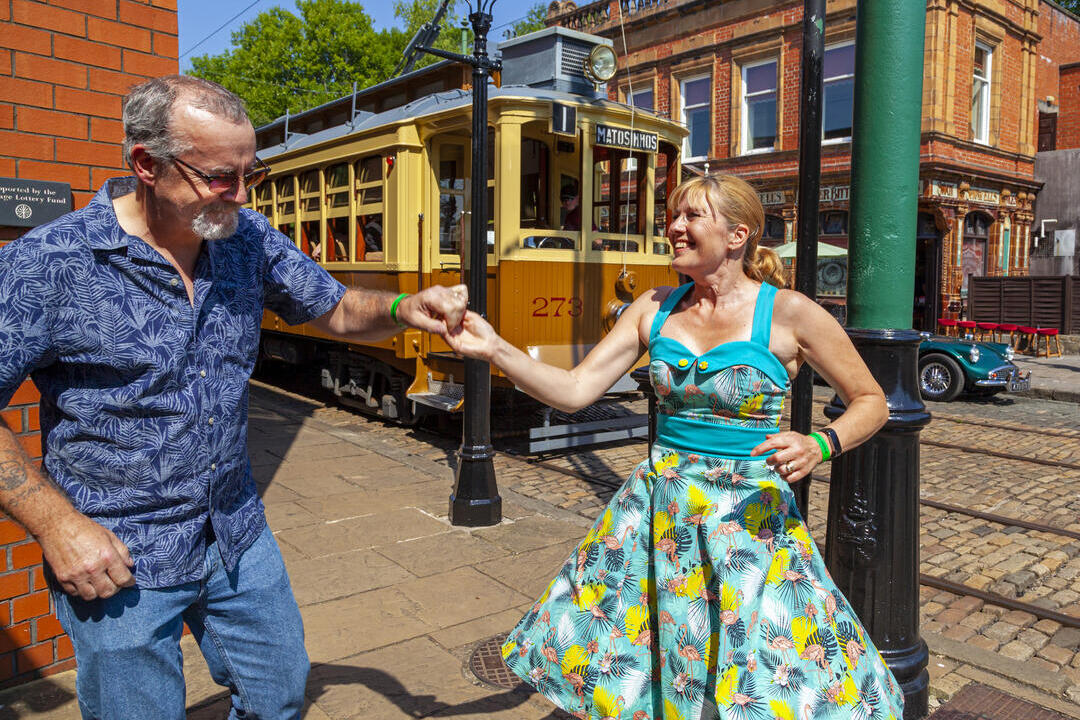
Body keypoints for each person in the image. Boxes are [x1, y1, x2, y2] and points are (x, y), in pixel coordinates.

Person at [0, 75, 468, 720]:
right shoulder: (47, 264)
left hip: (235, 530)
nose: (242, 196)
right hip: (117, 550)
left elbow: (331, 307)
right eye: (222, 175)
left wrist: (404, 306)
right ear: (146, 164)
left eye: (252, 172)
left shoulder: (243, 238)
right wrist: (58, 527)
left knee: (278, 696)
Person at [445, 174, 904, 718]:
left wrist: (821, 443)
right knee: (659, 658)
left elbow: (872, 401)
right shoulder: (653, 307)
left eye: (691, 216)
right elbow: (572, 391)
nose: (675, 228)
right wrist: (495, 347)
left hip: (747, 520)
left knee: (765, 673)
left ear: (738, 235)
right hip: (661, 512)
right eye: (674, 216)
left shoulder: (789, 312)